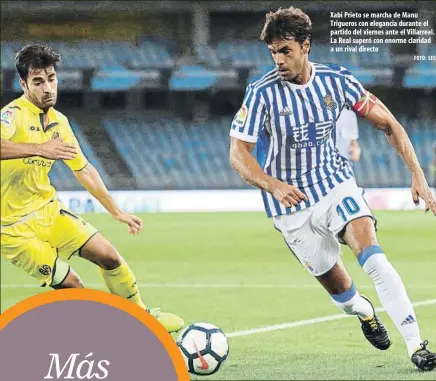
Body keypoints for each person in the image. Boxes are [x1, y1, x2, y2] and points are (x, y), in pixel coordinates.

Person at [229, 7, 436, 371]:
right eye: (273, 52)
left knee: (373, 257)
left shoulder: (337, 81)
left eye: (286, 51)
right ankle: (365, 312)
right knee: (343, 295)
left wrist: (417, 174)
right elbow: (237, 153)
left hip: (334, 183)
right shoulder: (261, 93)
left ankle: (416, 344)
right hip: (289, 205)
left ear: (306, 46)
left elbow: (388, 123)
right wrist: (273, 185)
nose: (278, 60)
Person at [0, 44, 184, 333]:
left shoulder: (60, 122)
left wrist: (116, 211)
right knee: (73, 284)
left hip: (48, 212)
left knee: (109, 256)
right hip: (12, 229)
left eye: (51, 78)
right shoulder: (12, 115)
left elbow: (83, 168)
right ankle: (96, 338)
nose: (47, 87)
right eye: (38, 81)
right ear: (23, 84)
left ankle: (143, 319)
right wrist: (39, 148)